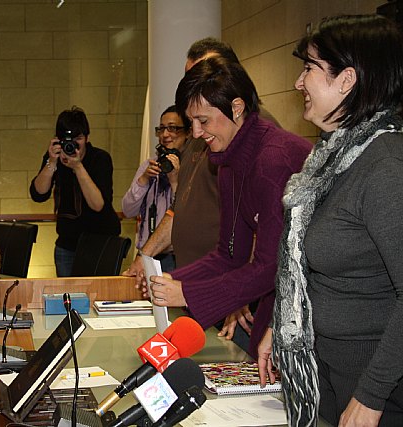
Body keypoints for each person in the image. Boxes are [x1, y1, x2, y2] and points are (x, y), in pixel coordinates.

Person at [258, 15, 403, 427]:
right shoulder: (333, 157)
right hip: (328, 374)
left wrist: (371, 395)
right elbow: (310, 269)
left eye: (309, 68)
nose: (298, 82)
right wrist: (282, 325)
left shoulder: (385, 166)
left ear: (347, 80)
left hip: (375, 388)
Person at [147, 56, 311, 360]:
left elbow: (271, 266)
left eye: (204, 121)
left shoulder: (274, 160)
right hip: (279, 303)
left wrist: (187, 293)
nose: (197, 133)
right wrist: (177, 279)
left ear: (236, 108)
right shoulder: (227, 162)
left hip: (308, 310)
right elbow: (229, 255)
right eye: (191, 122)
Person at [125, 37, 280, 345]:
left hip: (233, 295)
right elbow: (181, 207)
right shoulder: (202, 134)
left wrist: (236, 293)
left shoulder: (256, 137)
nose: (192, 85)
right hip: (201, 284)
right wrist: (146, 255)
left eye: (203, 75)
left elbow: (262, 230)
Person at [30, 106, 120, 277]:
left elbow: (98, 205)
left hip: (100, 242)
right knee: (68, 293)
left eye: (78, 138)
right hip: (67, 244)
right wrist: (51, 162)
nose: (73, 145)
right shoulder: (54, 158)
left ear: (87, 138)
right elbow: (38, 194)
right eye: (67, 139)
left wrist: (78, 167)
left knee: (98, 292)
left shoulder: (99, 158)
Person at [121, 105, 189, 272]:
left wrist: (175, 181)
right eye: (161, 129)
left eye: (172, 128)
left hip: (178, 257)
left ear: (188, 132)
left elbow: (187, 215)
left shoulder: (192, 167)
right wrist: (144, 180)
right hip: (147, 256)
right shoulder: (149, 165)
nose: (165, 135)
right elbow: (127, 210)